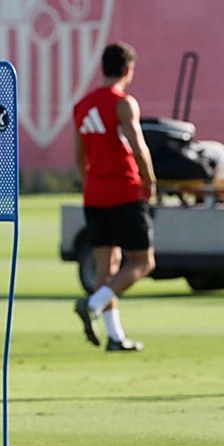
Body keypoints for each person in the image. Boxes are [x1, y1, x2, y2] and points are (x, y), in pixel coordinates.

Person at [72, 41, 157, 353]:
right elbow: (138, 146)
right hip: (124, 190)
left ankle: (115, 337)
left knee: (106, 266)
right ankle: (93, 304)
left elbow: (79, 157)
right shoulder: (123, 103)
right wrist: (150, 181)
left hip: (94, 193)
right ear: (128, 70)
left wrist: (91, 184)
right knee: (143, 261)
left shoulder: (82, 105)